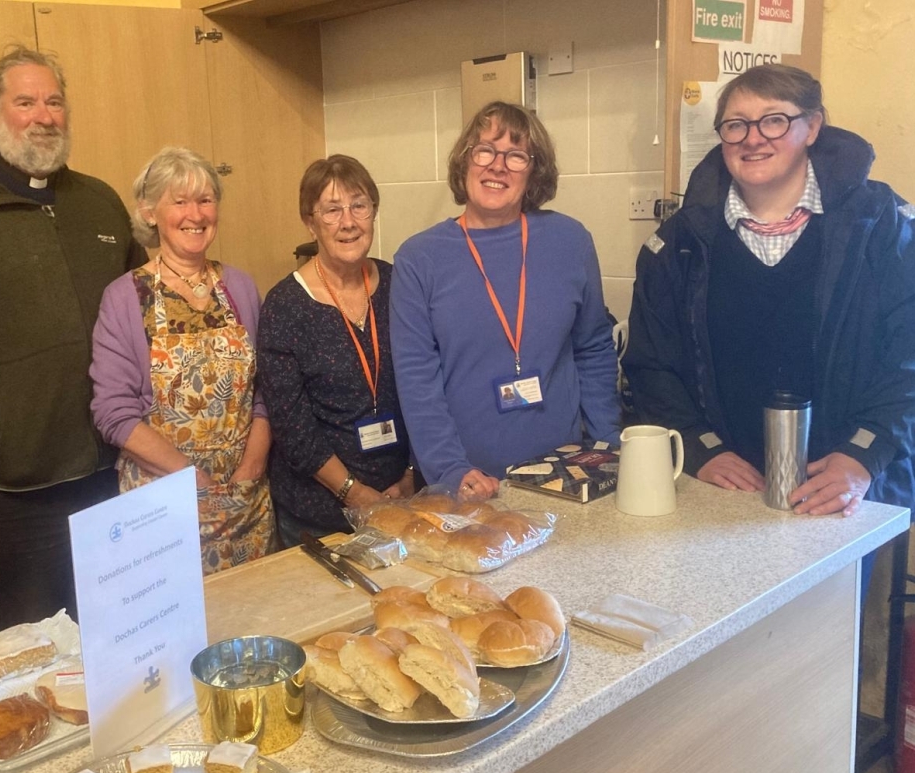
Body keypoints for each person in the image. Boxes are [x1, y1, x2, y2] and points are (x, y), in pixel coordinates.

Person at [0, 46, 144, 630]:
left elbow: (145, 309)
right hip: (18, 488)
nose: (43, 115)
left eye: (55, 101)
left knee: (122, 633)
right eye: (25, 101)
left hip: (113, 473)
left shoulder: (99, 201)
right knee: (38, 653)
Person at [624, 64, 915, 517]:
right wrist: (702, 450)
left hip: (847, 491)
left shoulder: (882, 227)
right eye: (736, 125)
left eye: (774, 120)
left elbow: (907, 360)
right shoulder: (677, 245)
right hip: (722, 495)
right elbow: (651, 365)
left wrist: (864, 454)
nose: (753, 138)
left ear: (813, 126)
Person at [390, 101, 621, 500]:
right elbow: (416, 379)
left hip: (564, 474)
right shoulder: (418, 259)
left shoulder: (570, 242)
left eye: (516, 156)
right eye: (485, 150)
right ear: (464, 161)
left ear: (534, 172)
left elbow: (594, 348)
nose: (498, 166)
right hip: (468, 483)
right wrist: (450, 468)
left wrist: (608, 445)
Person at [90, 147, 274, 572]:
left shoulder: (240, 288)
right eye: (180, 201)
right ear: (149, 212)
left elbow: (265, 391)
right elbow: (113, 413)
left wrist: (251, 467)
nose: (196, 213)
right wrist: (192, 480)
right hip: (162, 507)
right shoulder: (125, 297)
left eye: (206, 200)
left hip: (244, 504)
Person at [257, 155, 414, 547]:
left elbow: (427, 385)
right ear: (310, 222)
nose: (348, 222)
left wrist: (411, 474)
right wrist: (355, 494)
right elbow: (292, 425)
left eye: (359, 205)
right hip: (320, 516)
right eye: (332, 210)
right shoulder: (285, 306)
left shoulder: (400, 286)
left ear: (373, 212)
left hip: (405, 498)